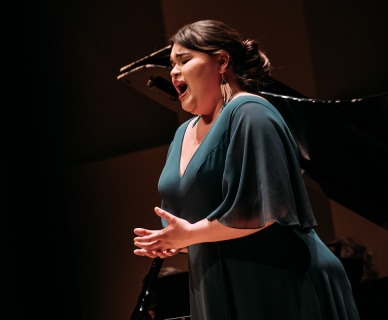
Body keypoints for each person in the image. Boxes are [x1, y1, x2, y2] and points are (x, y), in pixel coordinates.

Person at [133, 20, 360, 320]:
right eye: (171, 64)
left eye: (184, 60)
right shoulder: (182, 134)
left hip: (281, 281)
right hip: (215, 286)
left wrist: (187, 236)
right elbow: (196, 229)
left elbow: (264, 210)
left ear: (222, 61)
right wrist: (170, 242)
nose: (173, 71)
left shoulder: (249, 111)